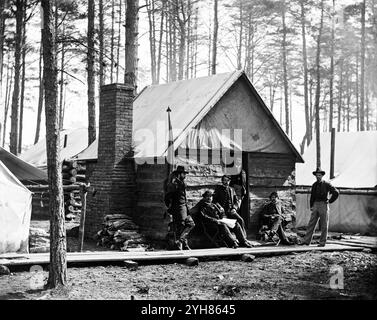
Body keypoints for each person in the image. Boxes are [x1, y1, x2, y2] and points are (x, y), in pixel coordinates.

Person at [302, 167, 339, 247]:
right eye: (316, 175)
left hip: (323, 205)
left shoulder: (326, 184)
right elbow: (312, 196)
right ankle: (306, 241)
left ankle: (322, 242)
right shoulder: (314, 185)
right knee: (311, 223)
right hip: (315, 204)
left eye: (319, 175)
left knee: (324, 224)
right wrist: (311, 206)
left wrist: (329, 200)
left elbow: (336, 192)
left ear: (322, 176)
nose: (318, 176)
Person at [164, 165, 195, 250]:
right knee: (187, 225)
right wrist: (170, 207)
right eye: (184, 174)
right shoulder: (174, 184)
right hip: (179, 208)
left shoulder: (181, 182)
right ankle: (180, 243)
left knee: (185, 225)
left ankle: (182, 244)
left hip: (184, 208)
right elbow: (168, 196)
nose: (185, 175)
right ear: (179, 174)